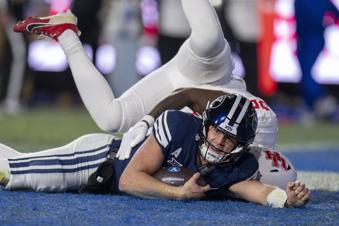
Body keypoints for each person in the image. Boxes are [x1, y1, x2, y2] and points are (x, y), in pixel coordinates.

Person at [0, 93, 310, 208]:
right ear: (205, 124)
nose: (218, 141)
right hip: (99, 161)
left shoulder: (235, 165)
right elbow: (129, 180)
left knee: (17, 163)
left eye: (229, 139)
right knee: (12, 173)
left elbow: (254, 190)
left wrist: (286, 198)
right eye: (216, 130)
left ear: (241, 146)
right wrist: (178, 194)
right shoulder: (178, 125)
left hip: (103, 185)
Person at [13, 0, 243, 134]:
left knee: (111, 120)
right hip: (217, 78)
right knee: (208, 39)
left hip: (184, 85)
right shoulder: (256, 139)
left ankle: (65, 35)